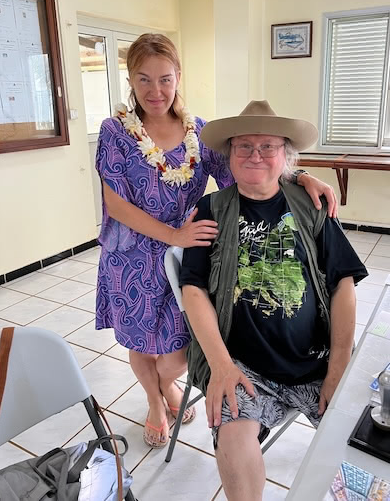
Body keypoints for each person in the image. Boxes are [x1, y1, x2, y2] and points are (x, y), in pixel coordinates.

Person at [93, 34, 337, 448]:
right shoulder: (115, 132)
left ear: (178, 77)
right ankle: (155, 401)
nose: (156, 91)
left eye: (165, 79)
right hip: (133, 258)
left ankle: (166, 384)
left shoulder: (198, 133)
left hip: (190, 252)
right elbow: (115, 204)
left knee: (181, 348)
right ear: (130, 81)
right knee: (141, 339)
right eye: (144, 79)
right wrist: (173, 233)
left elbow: (247, 171)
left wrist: (299, 177)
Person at [178, 101, 366, 501]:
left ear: (286, 155)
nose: (255, 155)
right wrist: (222, 366)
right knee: (232, 439)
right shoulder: (211, 209)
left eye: (268, 146)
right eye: (244, 146)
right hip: (242, 364)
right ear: (229, 156)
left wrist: (338, 368)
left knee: (368, 442)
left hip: (314, 360)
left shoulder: (311, 204)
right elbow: (192, 290)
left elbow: (343, 286)